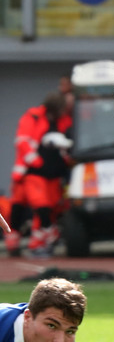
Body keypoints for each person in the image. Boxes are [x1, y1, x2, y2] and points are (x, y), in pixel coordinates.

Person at [5, 92, 74, 258]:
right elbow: (22, 141)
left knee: (49, 208)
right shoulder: (34, 116)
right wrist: (35, 160)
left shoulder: (65, 122)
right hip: (32, 172)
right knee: (25, 205)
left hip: (54, 174)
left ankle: (40, 241)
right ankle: (18, 237)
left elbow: (68, 143)